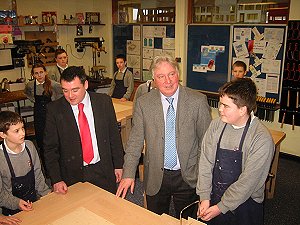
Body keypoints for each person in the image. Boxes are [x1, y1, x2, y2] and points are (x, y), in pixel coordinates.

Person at [116, 55, 212, 219]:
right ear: (154, 79)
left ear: (178, 74)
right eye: (161, 76)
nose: (168, 81)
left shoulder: (198, 101)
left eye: (171, 74)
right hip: (155, 175)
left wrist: (205, 183)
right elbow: (135, 142)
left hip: (188, 176)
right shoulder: (143, 103)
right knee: (156, 220)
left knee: (188, 220)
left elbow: (207, 144)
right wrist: (128, 173)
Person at [197, 78, 275, 225]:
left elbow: (248, 183)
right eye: (221, 104)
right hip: (215, 198)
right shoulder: (216, 125)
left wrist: (221, 207)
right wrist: (204, 197)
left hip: (245, 205)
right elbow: (205, 162)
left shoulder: (261, 138)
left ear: (242, 109)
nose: (220, 109)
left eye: (226, 106)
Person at [43, 66, 124, 195]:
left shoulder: (103, 102)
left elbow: (114, 136)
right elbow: (50, 148)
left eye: (75, 90)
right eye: (65, 90)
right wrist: (56, 179)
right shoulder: (54, 109)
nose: (70, 96)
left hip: (103, 169)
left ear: (85, 84)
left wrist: (118, 164)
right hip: (73, 174)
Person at [0, 111, 50, 216]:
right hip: (11, 210)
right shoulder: (1, 158)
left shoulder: (29, 146)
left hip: (33, 202)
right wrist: (17, 203)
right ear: (3, 134)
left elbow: (38, 175)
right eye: (16, 131)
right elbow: (1, 195)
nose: (23, 133)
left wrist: (47, 195)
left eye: (22, 128)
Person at [24, 63, 63, 171]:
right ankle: (46, 169)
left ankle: (57, 166)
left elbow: (61, 96)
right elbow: (27, 93)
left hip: (50, 115)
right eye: (36, 73)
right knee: (41, 142)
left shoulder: (54, 85)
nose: (39, 75)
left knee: (54, 140)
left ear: (45, 72)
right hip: (39, 115)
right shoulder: (31, 85)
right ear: (33, 75)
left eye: (41, 72)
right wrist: (33, 100)